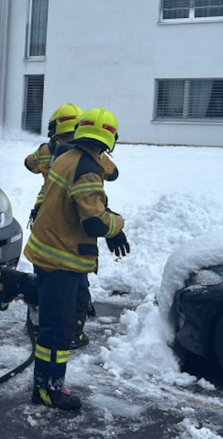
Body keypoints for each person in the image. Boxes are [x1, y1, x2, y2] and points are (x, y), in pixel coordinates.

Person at [23, 108, 130, 411]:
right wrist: (117, 225)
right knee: (57, 330)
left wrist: (106, 221)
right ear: (110, 138)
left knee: (56, 324)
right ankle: (48, 389)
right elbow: (94, 222)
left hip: (48, 251)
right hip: (62, 260)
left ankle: (46, 384)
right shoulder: (86, 169)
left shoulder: (66, 156)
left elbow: (87, 203)